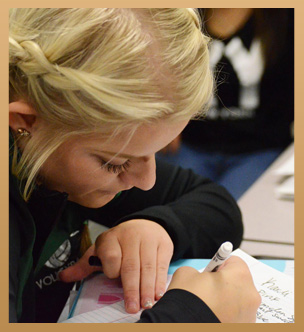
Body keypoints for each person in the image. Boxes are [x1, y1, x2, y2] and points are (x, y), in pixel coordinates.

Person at [9, 8, 260, 323]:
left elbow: (216, 204)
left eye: (156, 152)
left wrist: (160, 227)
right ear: (26, 122)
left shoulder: (70, 153)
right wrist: (193, 316)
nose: (147, 182)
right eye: (116, 163)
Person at [158, 8, 294, 200]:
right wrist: (166, 114)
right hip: (190, 144)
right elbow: (158, 69)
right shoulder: (178, 13)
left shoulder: (286, 17)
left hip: (259, 149)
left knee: (230, 211)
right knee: (166, 203)